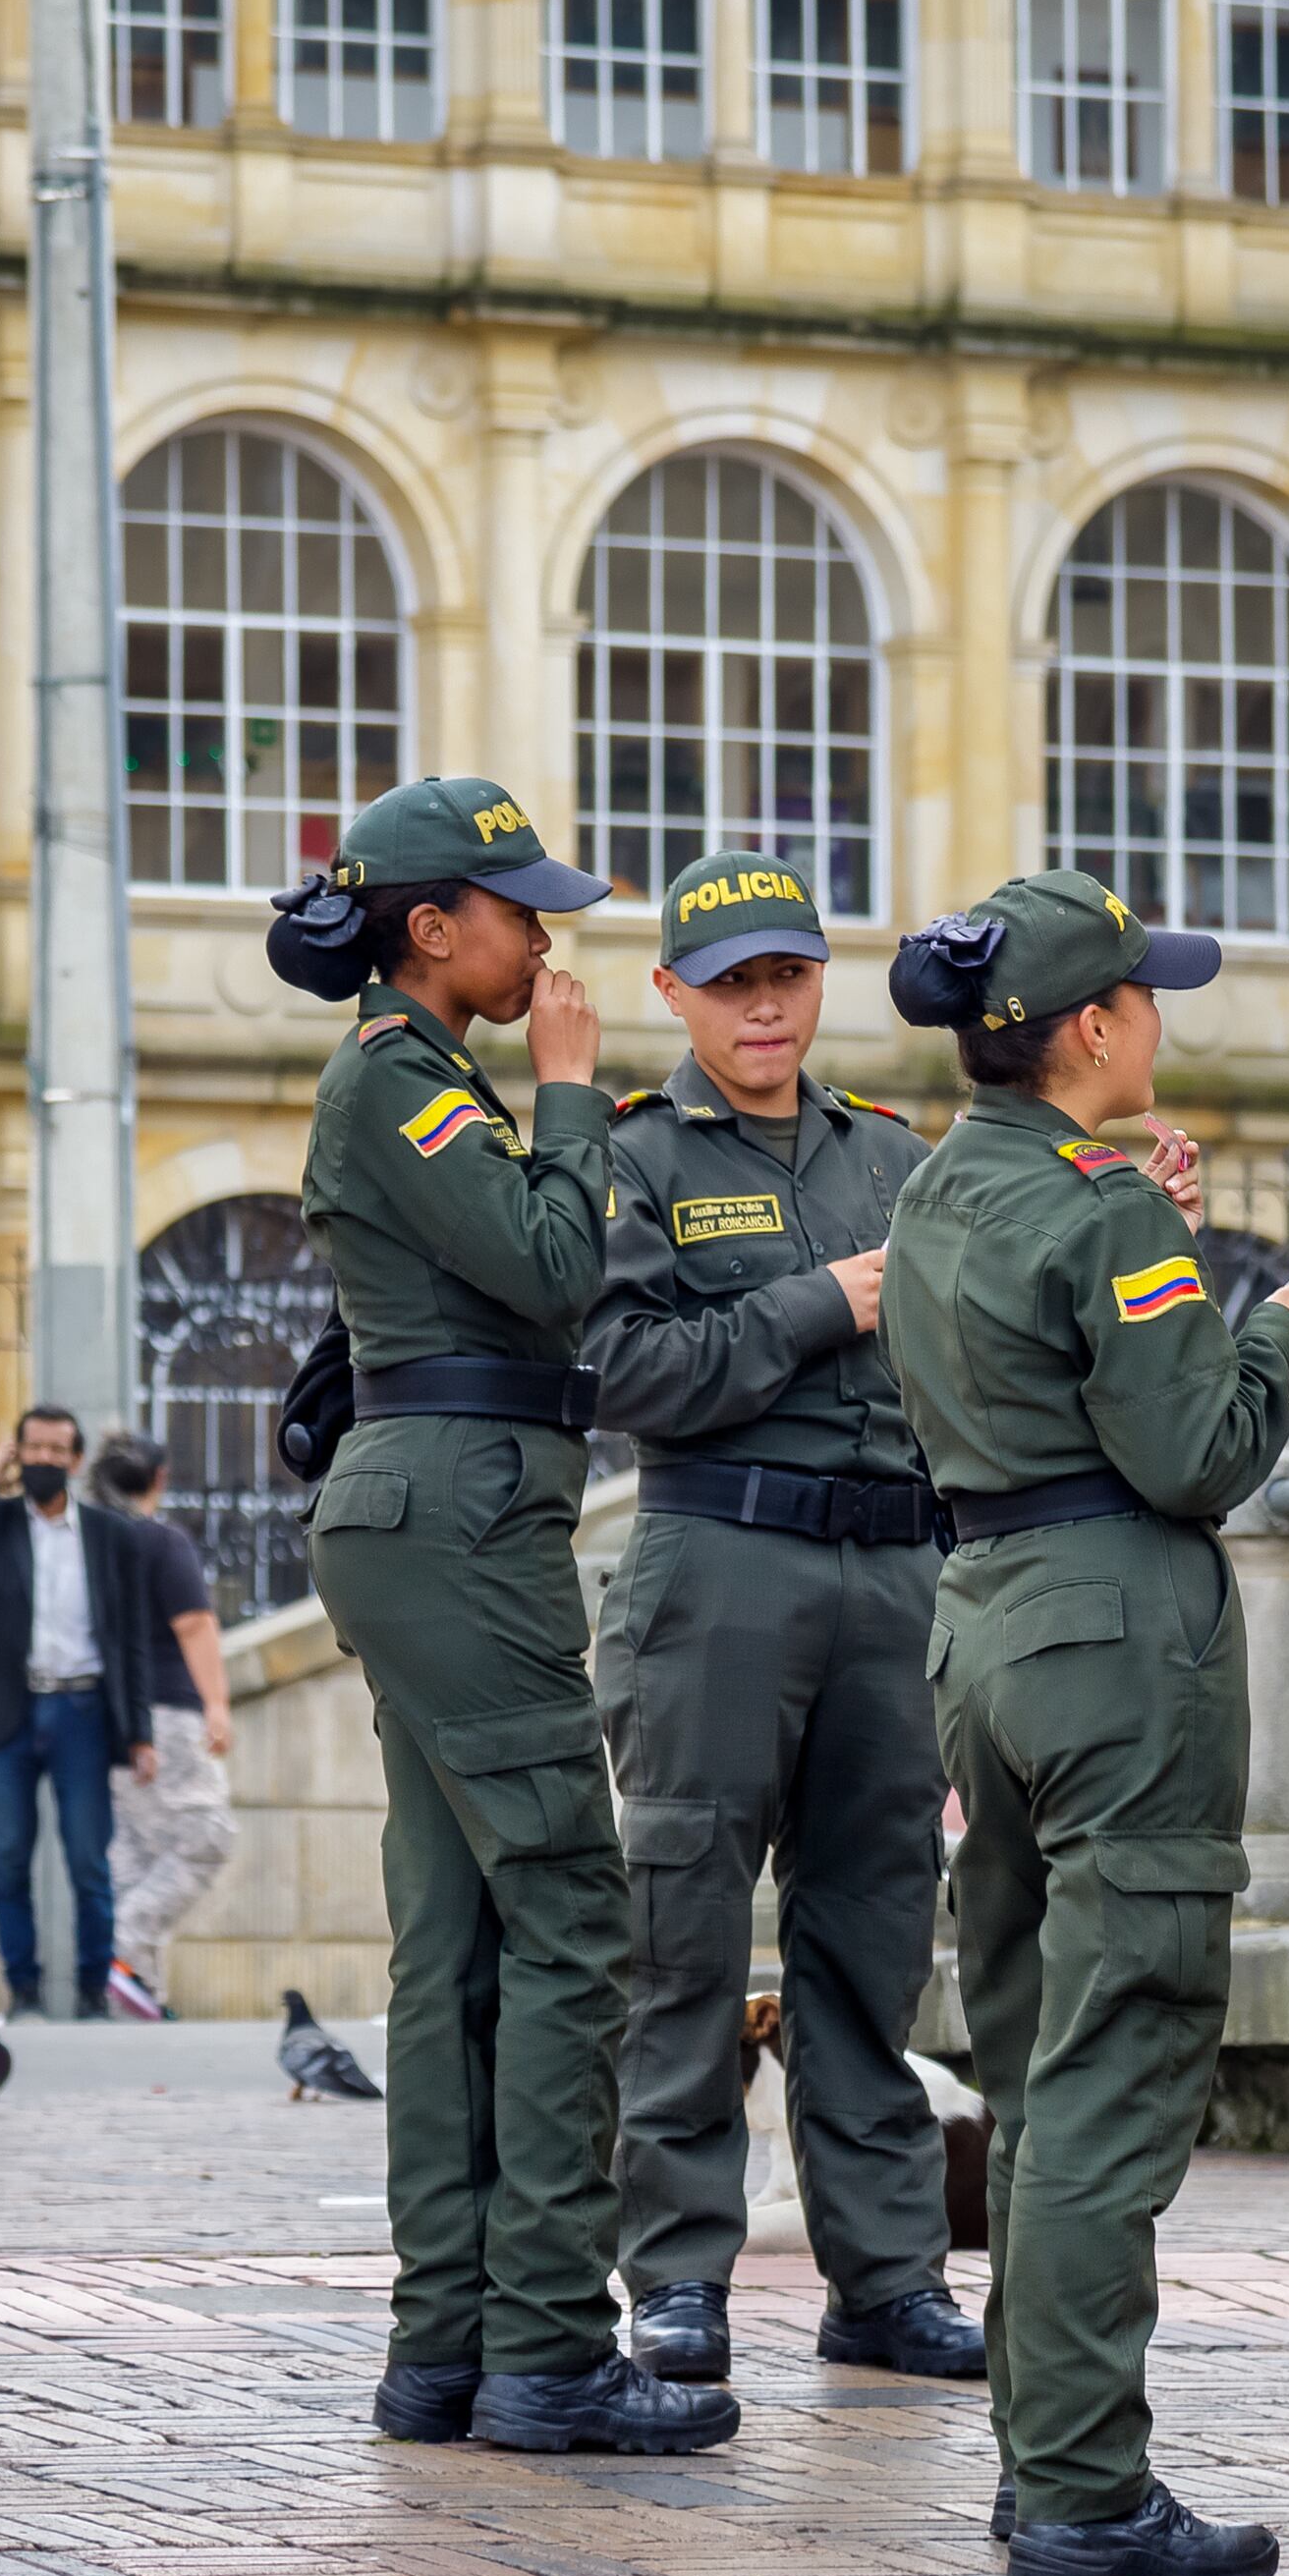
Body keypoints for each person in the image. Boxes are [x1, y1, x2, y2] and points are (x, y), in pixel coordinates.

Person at [882, 868, 1289, 2576]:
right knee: (1113, 2060)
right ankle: (1082, 2485)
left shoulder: (943, 1185)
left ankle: (1037, 2454)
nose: (1160, 1017)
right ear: (1091, 1027)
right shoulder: (1110, 1207)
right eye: (1146, 995)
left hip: (984, 1618)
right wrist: (1276, 1327)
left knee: (1026, 2052)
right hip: (1112, 1636)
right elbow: (1198, 1455)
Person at [272, 774, 730, 2459]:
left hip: (444, 1508)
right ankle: (542, 2341)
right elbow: (555, 1267)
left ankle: (446, 2350)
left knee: (462, 1936)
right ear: (431, 926)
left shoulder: (412, 1080)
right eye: (517, 905)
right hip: (458, 1517)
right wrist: (570, 1090)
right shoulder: (409, 1080)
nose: (544, 934)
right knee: (570, 1915)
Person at [582, 848, 979, 2392]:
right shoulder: (635, 1158)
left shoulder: (895, 1153)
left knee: (874, 1941)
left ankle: (884, 2277)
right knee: (683, 1938)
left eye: (790, 975)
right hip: (718, 1564)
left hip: (893, 1576)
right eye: (733, 979)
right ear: (671, 991)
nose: (765, 1005)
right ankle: (677, 2275)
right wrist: (829, 1303)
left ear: (825, 983)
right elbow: (620, 1374)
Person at [0, 1404, 145, 2022]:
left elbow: (129, 1638)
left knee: (88, 1863)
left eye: (58, 1450)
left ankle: (91, 1991)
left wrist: (139, 1732)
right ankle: (22, 1991)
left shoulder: (111, 1535)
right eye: (34, 1449)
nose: (46, 1460)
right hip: (9, 1713)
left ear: (76, 1460)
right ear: (18, 1454)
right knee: (9, 1861)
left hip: (83, 1711)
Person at [96, 1432, 236, 2020]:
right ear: (159, 1478)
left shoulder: (93, 1542)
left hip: (109, 1710)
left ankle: (140, 1988)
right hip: (169, 1708)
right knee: (207, 1837)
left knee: (136, 1851)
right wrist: (218, 1704)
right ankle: (124, 1948)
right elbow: (195, 1626)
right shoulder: (160, 1541)